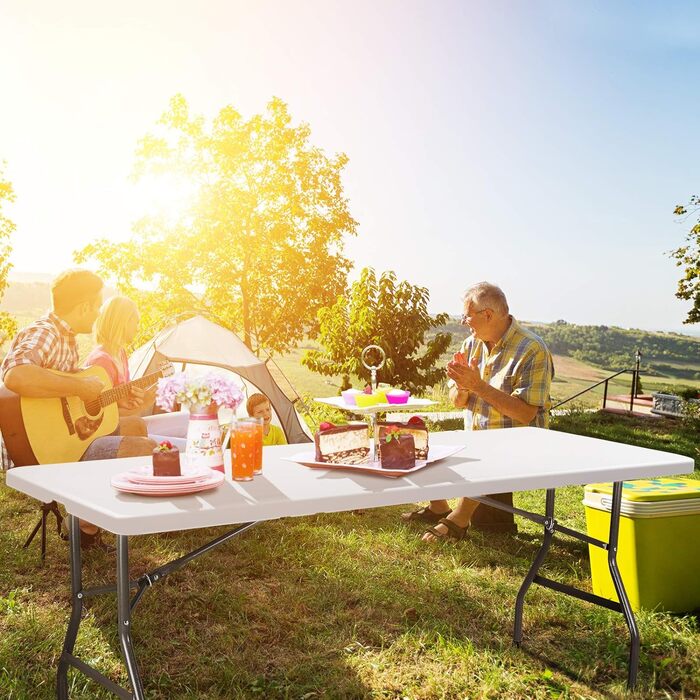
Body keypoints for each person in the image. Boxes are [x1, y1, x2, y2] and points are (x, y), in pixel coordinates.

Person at [1, 269, 156, 547]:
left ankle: (88, 520)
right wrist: (80, 387)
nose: (98, 313)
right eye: (97, 306)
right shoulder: (46, 333)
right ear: (84, 306)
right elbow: (16, 376)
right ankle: (87, 527)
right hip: (39, 450)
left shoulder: (68, 339)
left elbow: (67, 403)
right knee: (144, 448)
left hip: (63, 437)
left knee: (135, 426)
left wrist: (115, 401)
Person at [400, 282, 554, 543]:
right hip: (476, 435)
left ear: (488, 315)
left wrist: (478, 386)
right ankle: (439, 506)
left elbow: (526, 414)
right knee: (419, 439)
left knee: (486, 455)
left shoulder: (532, 350)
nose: (463, 321)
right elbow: (457, 400)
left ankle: (458, 520)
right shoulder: (471, 344)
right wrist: (461, 389)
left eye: (467, 315)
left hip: (519, 441)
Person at [84, 295, 154, 428]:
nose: (138, 328)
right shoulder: (101, 361)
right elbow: (103, 419)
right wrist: (145, 403)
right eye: (136, 322)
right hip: (108, 431)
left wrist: (134, 400)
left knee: (184, 419)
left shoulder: (121, 354)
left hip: (126, 425)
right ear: (123, 322)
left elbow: (122, 405)